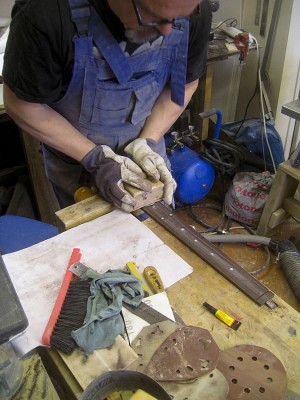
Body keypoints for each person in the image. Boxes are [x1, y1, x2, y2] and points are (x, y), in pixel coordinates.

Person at [3, 0, 212, 211]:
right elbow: (22, 105)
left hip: (146, 153)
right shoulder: (45, 14)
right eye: (153, 16)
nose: (167, 30)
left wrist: (147, 141)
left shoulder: (191, 8)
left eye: (177, 19)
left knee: (157, 234)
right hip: (77, 160)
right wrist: (95, 158)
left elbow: (184, 85)